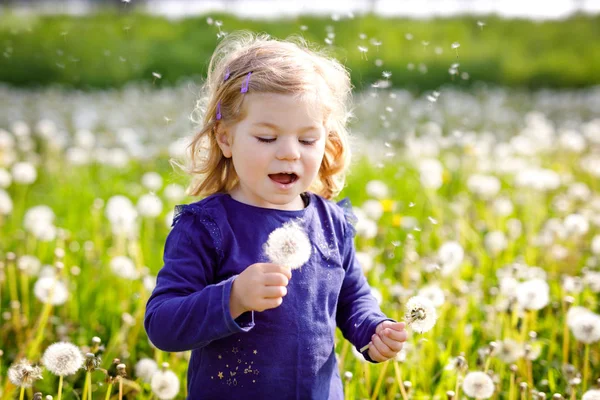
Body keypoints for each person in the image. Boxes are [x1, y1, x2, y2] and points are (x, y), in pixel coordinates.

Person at [144, 31, 408, 399]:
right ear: (225, 139)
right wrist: (233, 297)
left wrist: (374, 330)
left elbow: (352, 298)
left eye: (307, 139)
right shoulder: (208, 227)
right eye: (267, 138)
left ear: (327, 141)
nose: (288, 153)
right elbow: (162, 324)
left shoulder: (331, 224)